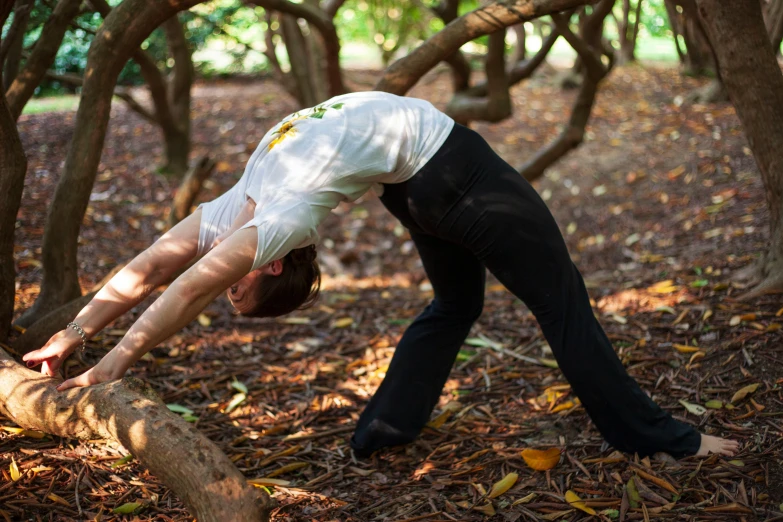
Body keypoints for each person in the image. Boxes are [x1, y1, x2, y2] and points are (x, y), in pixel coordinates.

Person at [24, 91, 738, 459]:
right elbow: (168, 279)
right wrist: (86, 343)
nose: (223, 286)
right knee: (561, 300)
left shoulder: (249, 214)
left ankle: (384, 429)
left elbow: (166, 276)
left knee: (457, 302)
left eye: (235, 289)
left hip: (428, 186)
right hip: (448, 175)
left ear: (268, 264)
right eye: (234, 290)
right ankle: (657, 438)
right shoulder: (274, 216)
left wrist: (94, 351)